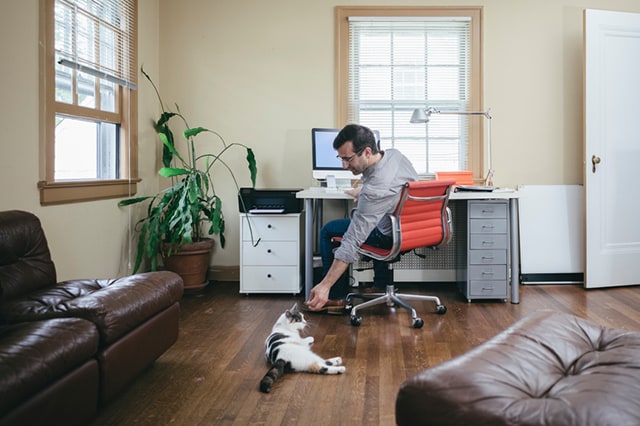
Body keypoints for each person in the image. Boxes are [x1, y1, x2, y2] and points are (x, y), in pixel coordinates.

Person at [304, 124, 418, 313]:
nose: (344, 165)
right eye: (340, 159)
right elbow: (393, 186)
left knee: (328, 231)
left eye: (348, 159)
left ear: (366, 152)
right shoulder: (394, 155)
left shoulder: (374, 191)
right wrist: (363, 190)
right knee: (376, 219)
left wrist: (324, 285)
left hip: (389, 235)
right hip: (409, 228)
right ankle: (381, 285)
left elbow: (352, 241)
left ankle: (335, 296)